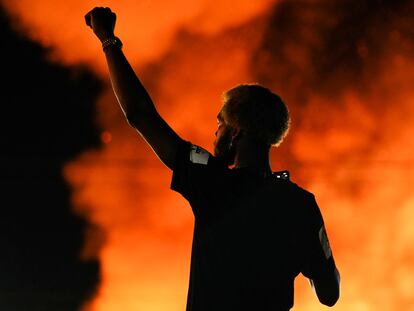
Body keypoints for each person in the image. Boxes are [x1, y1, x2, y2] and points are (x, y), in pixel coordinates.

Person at [85, 7, 340, 310]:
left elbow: (140, 115)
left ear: (236, 132)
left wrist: (108, 40)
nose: (215, 132)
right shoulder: (300, 204)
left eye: (220, 123)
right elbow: (329, 294)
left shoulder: (213, 180)